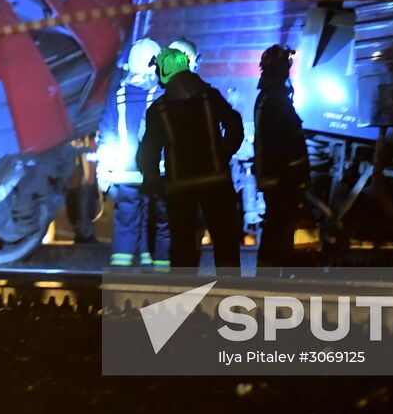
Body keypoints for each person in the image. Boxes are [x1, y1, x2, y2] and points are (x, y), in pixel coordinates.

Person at [137, 47, 245, 272]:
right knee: (225, 244)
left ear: (164, 72)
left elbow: (147, 155)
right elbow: (235, 125)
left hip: (180, 189)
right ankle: (232, 300)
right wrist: (223, 154)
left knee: (183, 248)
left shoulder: (158, 110)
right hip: (217, 183)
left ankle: (185, 301)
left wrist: (156, 182)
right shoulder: (210, 97)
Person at [99, 38, 169, 269]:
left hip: (123, 174)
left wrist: (104, 169)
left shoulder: (117, 95)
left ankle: (121, 273)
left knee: (126, 221)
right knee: (157, 223)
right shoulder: (163, 95)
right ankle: (157, 274)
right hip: (156, 173)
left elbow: (107, 134)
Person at [254, 45, 311, 269]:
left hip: (273, 175)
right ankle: (275, 273)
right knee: (280, 225)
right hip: (281, 177)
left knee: (276, 224)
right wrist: (301, 174)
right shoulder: (276, 100)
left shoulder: (267, 97)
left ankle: (271, 271)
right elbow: (290, 141)